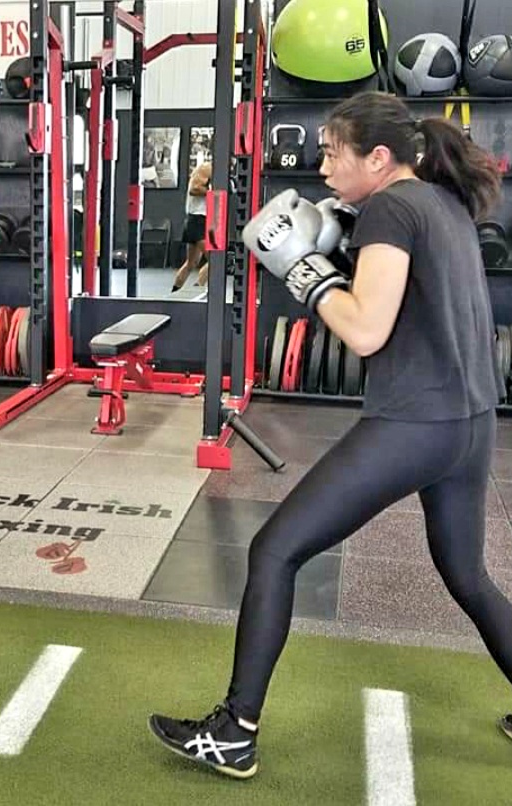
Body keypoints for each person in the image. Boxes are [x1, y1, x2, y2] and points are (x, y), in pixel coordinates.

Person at [148, 90, 512, 778]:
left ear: (376, 158)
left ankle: (234, 730)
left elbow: (365, 329)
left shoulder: (390, 209)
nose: (320, 167)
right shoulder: (441, 203)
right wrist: (340, 253)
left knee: (274, 550)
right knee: (465, 573)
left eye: (331, 153)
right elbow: (404, 306)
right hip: (467, 425)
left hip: (414, 423)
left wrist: (303, 270)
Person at [171, 160, 211, 292]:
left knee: (191, 263)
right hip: (198, 220)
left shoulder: (214, 170)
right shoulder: (207, 168)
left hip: (197, 220)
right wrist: (214, 191)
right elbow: (194, 189)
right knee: (217, 261)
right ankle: (198, 289)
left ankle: (174, 293)